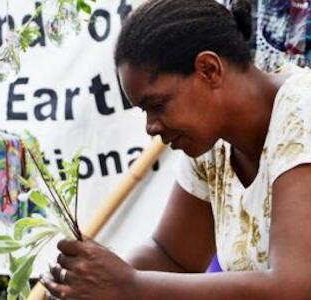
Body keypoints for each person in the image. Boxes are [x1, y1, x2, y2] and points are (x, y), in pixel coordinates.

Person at [41, 0, 311, 298]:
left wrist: (131, 285)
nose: (151, 127)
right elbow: (173, 257)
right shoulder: (213, 143)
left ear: (209, 70)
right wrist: (92, 280)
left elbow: (296, 286)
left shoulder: (302, 111)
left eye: (157, 105)